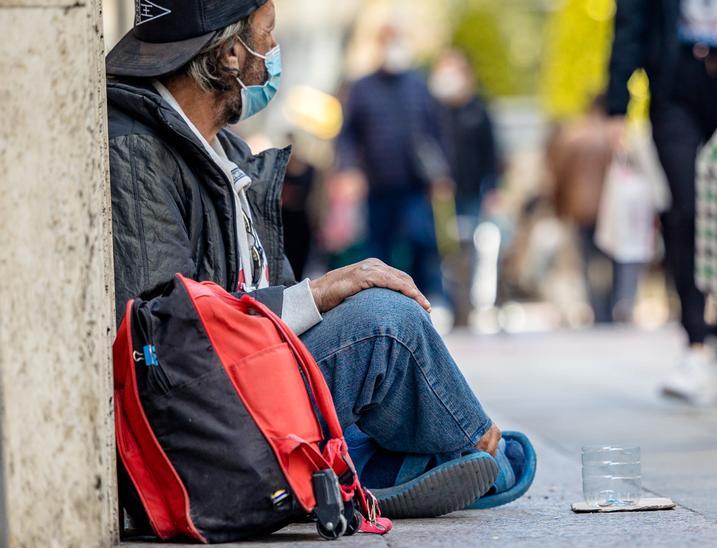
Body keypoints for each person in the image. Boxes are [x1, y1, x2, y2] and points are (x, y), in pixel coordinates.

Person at [104, 0, 533, 519]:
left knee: (370, 311)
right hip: (205, 425)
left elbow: (268, 308)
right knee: (386, 324)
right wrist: (320, 293)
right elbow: (166, 335)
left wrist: (321, 301)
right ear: (232, 56)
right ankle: (470, 444)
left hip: (246, 384)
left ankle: (367, 463)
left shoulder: (227, 154)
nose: (272, 53)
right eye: (268, 35)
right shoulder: (134, 151)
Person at [607, 0, 717, 406]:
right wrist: (618, 103)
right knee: (684, 211)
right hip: (674, 79)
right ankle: (693, 344)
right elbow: (631, 21)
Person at [335, 25, 450, 310]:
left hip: (414, 183)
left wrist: (441, 173)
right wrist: (349, 169)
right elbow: (347, 134)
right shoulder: (362, 88)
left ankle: (425, 298)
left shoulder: (418, 85)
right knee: (378, 247)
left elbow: (435, 131)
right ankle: (380, 303)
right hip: (377, 184)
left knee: (419, 239)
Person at [546, 103, 643, 324]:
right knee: (615, 260)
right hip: (611, 209)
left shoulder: (572, 136)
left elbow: (557, 175)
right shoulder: (615, 137)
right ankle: (616, 305)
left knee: (589, 261)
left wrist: (560, 207)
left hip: (581, 209)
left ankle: (599, 310)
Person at [430, 50, 502, 325]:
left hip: (473, 193)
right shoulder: (436, 112)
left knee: (472, 250)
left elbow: (492, 153)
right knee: (445, 252)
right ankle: (450, 303)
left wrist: (493, 188)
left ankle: (471, 305)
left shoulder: (478, 110)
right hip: (443, 195)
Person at [281, 133, 316, 280]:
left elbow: (315, 195)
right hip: (285, 220)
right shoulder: (281, 169)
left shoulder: (310, 169)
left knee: (301, 259)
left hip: (302, 221)